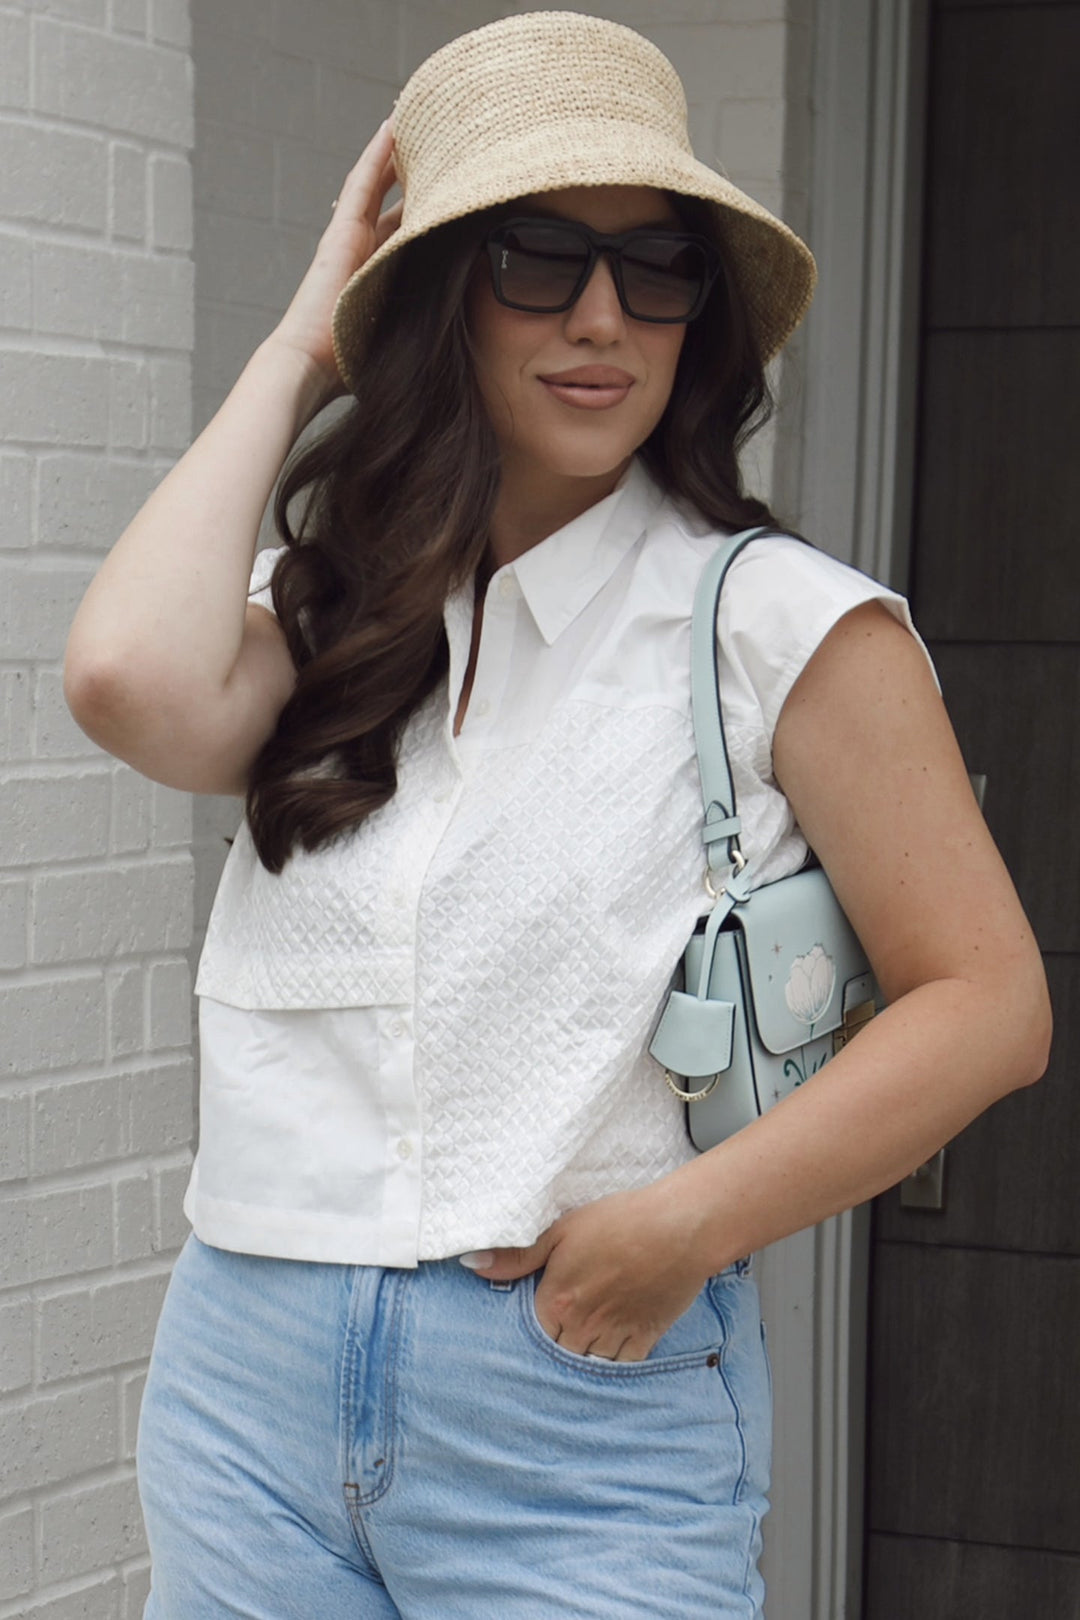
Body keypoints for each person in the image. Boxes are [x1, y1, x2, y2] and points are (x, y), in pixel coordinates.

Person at [63, 12, 1050, 1619]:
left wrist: (687, 1224)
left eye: (656, 269)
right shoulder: (327, 612)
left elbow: (992, 1005)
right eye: (534, 260)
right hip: (246, 1377)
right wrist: (311, 332)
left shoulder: (781, 625)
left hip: (570, 1402)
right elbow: (117, 678)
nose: (605, 317)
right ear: (442, 298)